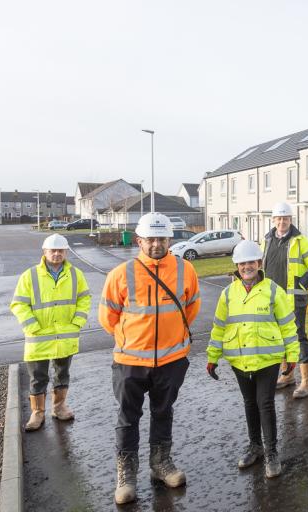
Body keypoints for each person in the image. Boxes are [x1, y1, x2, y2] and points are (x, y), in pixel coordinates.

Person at [99, 212, 201, 505]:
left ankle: (160, 464)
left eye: (162, 238)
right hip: (130, 362)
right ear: (139, 240)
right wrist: (133, 340)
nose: (156, 244)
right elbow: (108, 317)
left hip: (171, 360)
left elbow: (191, 307)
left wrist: (171, 336)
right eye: (150, 239)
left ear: (170, 240)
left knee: (163, 411)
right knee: (128, 417)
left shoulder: (185, 270)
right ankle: (126, 476)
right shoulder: (120, 274)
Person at [207, 240, 299, 478]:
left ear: (259, 263)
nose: (247, 267)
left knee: (265, 404)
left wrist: (292, 355)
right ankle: (255, 447)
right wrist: (212, 357)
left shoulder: (273, 291)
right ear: (236, 266)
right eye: (242, 263)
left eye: (251, 262)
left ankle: (271, 453)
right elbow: (219, 328)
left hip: (267, 360)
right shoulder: (228, 294)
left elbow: (288, 326)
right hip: (239, 362)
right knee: (250, 404)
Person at [10, 233, 91, 431]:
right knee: (38, 377)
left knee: (62, 374)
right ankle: (37, 414)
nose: (56, 254)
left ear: (66, 252)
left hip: (65, 336)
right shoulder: (30, 275)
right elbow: (18, 303)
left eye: (60, 250)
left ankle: (59, 407)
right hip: (39, 338)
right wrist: (32, 326)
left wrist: (77, 323)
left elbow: (84, 299)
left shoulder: (75, 274)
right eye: (52, 250)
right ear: (44, 252)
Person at [261, 201, 308, 398]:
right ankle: (287, 375)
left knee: (298, 337)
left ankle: (307, 382)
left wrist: (301, 285)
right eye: (278, 218)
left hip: (295, 299)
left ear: (290, 220)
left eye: (285, 218)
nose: (282, 222)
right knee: (280, 337)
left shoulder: (300, 240)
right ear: (273, 220)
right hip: (273, 299)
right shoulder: (267, 240)